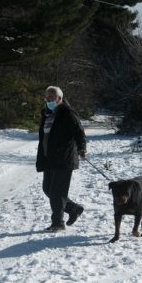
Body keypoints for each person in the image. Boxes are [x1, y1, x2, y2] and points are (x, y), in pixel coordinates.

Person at [35, 86, 87, 232]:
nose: (48, 100)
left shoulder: (67, 113)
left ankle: (57, 223)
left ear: (60, 99)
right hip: (49, 158)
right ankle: (73, 208)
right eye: (47, 98)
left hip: (64, 158)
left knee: (57, 193)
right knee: (48, 189)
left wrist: (82, 148)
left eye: (51, 98)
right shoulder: (46, 113)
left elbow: (79, 132)